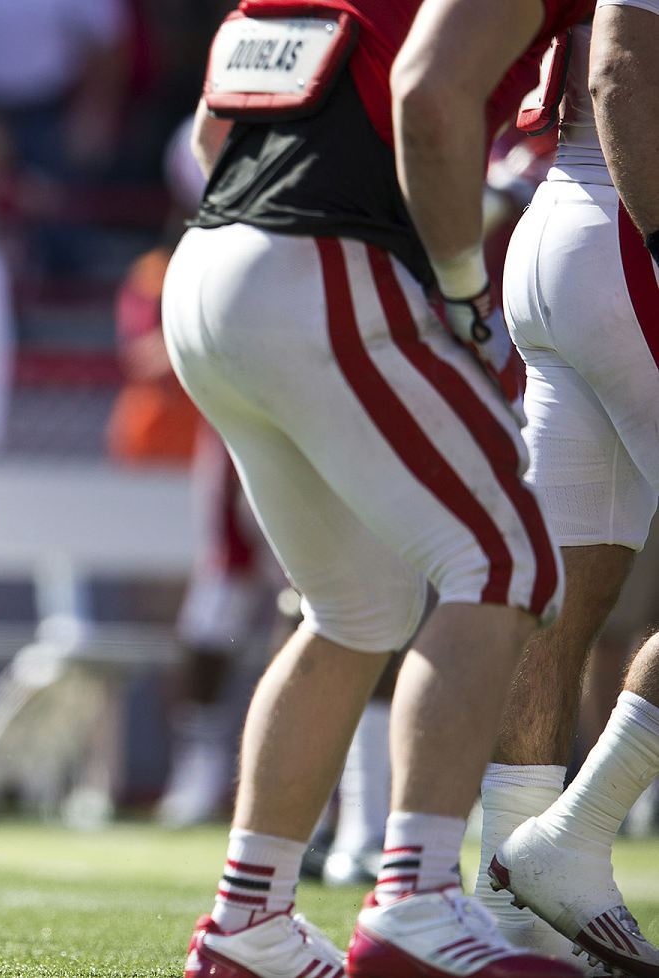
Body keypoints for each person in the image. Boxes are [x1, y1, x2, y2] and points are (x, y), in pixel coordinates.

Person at [163, 1, 591, 977]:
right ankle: (416, 893)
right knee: (506, 559)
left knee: (355, 608)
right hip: (324, 259)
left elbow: (209, 129)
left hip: (213, 261)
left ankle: (249, 920)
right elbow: (429, 95)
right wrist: (460, 289)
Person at [452, 1, 659, 973]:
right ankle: (573, 835)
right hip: (628, 227)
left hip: (564, 222)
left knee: (567, 589)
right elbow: (620, 65)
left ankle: (512, 898)